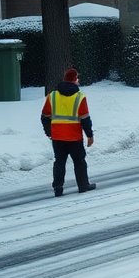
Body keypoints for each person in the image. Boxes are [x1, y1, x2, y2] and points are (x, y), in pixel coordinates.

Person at [41, 67, 97, 197]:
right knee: (79, 161)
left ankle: (58, 188)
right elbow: (85, 119)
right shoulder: (80, 97)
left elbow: (44, 116)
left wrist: (49, 132)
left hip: (58, 137)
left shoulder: (52, 96)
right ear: (75, 79)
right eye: (77, 78)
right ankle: (83, 185)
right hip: (74, 137)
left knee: (59, 161)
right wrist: (89, 135)